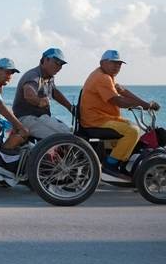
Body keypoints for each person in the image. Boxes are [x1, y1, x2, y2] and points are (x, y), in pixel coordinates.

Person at [80, 50, 160, 179]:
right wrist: (142, 106)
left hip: (101, 118)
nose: (117, 66)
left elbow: (122, 90)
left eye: (119, 64)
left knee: (132, 126)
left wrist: (145, 104)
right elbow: (118, 101)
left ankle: (121, 162)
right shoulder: (102, 78)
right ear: (102, 62)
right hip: (96, 121)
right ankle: (110, 164)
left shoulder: (106, 76)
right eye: (113, 63)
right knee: (132, 131)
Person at [12, 47, 73, 138]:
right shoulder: (34, 75)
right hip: (26, 118)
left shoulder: (49, 77)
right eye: (57, 62)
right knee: (60, 138)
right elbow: (28, 93)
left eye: (61, 64)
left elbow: (54, 92)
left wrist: (71, 108)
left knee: (69, 133)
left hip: (41, 118)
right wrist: (39, 102)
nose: (59, 67)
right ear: (45, 60)